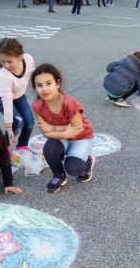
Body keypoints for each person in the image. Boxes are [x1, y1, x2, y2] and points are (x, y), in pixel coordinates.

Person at [31, 64, 95, 193]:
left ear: (57, 83)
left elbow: (77, 128)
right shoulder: (37, 106)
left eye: (48, 83)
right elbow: (46, 134)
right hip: (64, 137)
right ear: (35, 88)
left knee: (73, 169)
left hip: (81, 137)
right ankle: (58, 175)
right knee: (49, 148)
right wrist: (64, 132)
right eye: (39, 85)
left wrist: (52, 128)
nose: (44, 89)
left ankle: (87, 160)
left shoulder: (69, 103)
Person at [0, 38, 36, 151]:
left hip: (19, 95)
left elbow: (34, 74)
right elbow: (7, 103)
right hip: (1, 98)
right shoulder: (4, 76)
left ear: (20, 57)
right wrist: (9, 128)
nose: (5, 65)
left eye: (9, 61)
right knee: (18, 122)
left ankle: (22, 146)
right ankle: (1, 148)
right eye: (2, 61)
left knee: (29, 121)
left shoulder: (28, 59)